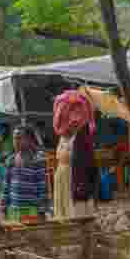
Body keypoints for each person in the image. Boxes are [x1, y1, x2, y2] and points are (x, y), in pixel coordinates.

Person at [52, 90, 99, 220]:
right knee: (64, 215)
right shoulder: (63, 137)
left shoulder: (82, 138)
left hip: (76, 180)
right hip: (62, 177)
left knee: (78, 215)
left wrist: (89, 190)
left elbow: (90, 166)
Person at [3, 125, 51, 221]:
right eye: (14, 138)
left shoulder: (37, 160)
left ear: (29, 140)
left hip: (32, 209)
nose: (15, 141)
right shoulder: (10, 160)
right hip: (14, 209)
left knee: (31, 234)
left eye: (19, 138)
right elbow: (6, 185)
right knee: (15, 234)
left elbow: (42, 187)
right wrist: (4, 205)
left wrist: (42, 210)